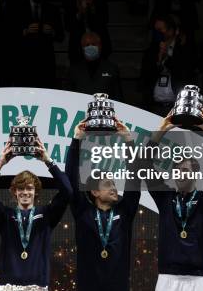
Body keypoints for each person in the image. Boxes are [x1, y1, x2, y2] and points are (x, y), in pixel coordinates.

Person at [138, 108, 203, 291]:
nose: (179, 175)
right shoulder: (165, 197)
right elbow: (145, 165)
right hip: (167, 277)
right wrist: (159, 133)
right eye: (176, 171)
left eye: (185, 171)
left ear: (195, 173)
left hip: (199, 279)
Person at [0, 139, 73, 288]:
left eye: (29, 188)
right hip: (9, 286)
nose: (25, 192)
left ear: (35, 191)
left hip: (38, 286)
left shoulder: (47, 215)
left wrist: (48, 161)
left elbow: (67, 192)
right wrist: (1, 163)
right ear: (14, 192)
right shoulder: (6, 216)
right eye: (21, 189)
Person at [65, 119, 140, 291]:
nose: (114, 188)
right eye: (107, 185)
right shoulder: (82, 210)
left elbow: (134, 180)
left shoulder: (125, 211)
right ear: (94, 192)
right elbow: (71, 178)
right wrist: (76, 140)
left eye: (113, 184)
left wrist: (128, 141)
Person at [67, 31, 123, 102]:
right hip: (81, 110)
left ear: (100, 46)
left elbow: (118, 98)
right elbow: (69, 97)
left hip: (105, 110)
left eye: (93, 44)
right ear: (82, 48)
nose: (90, 47)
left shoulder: (112, 69)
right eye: (87, 45)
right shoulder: (73, 70)